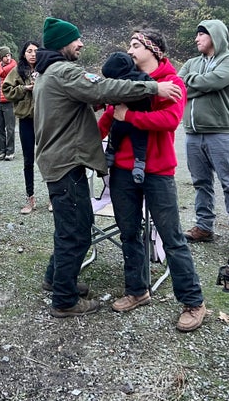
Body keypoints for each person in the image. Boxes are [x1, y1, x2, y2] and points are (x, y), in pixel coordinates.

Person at [34, 17, 182, 319]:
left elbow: (96, 100)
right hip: (66, 163)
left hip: (60, 162)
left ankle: (57, 279)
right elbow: (102, 89)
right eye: (76, 39)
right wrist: (153, 88)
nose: (81, 43)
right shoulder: (63, 71)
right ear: (64, 43)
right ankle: (64, 299)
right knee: (75, 231)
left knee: (70, 226)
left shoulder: (49, 72)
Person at [98, 29, 206, 332]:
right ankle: (137, 290)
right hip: (121, 170)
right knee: (129, 233)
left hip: (158, 171)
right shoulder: (124, 84)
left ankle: (193, 302)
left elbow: (169, 120)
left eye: (135, 45)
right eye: (129, 45)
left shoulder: (171, 83)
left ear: (154, 49)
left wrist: (128, 117)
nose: (130, 51)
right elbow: (107, 119)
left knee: (172, 238)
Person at [179, 20, 229, 256]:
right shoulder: (192, 63)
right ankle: (204, 226)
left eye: (202, 34)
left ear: (215, 36)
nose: (197, 38)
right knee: (201, 183)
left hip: (221, 132)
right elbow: (178, 87)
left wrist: (195, 82)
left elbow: (212, 82)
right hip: (192, 133)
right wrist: (198, 83)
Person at [101, 51, 153, 184]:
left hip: (120, 119)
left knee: (114, 137)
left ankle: (109, 156)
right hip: (139, 123)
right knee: (140, 143)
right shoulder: (142, 77)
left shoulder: (115, 83)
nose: (131, 51)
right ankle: (139, 165)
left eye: (136, 46)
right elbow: (152, 87)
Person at [2, 40, 41, 214]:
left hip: (45, 119)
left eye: (36, 51)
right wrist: (25, 88)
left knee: (48, 157)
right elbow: (7, 91)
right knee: (28, 160)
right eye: (29, 51)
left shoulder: (46, 69)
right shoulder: (17, 71)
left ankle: (53, 198)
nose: (33, 54)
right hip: (26, 119)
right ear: (24, 53)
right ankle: (30, 198)